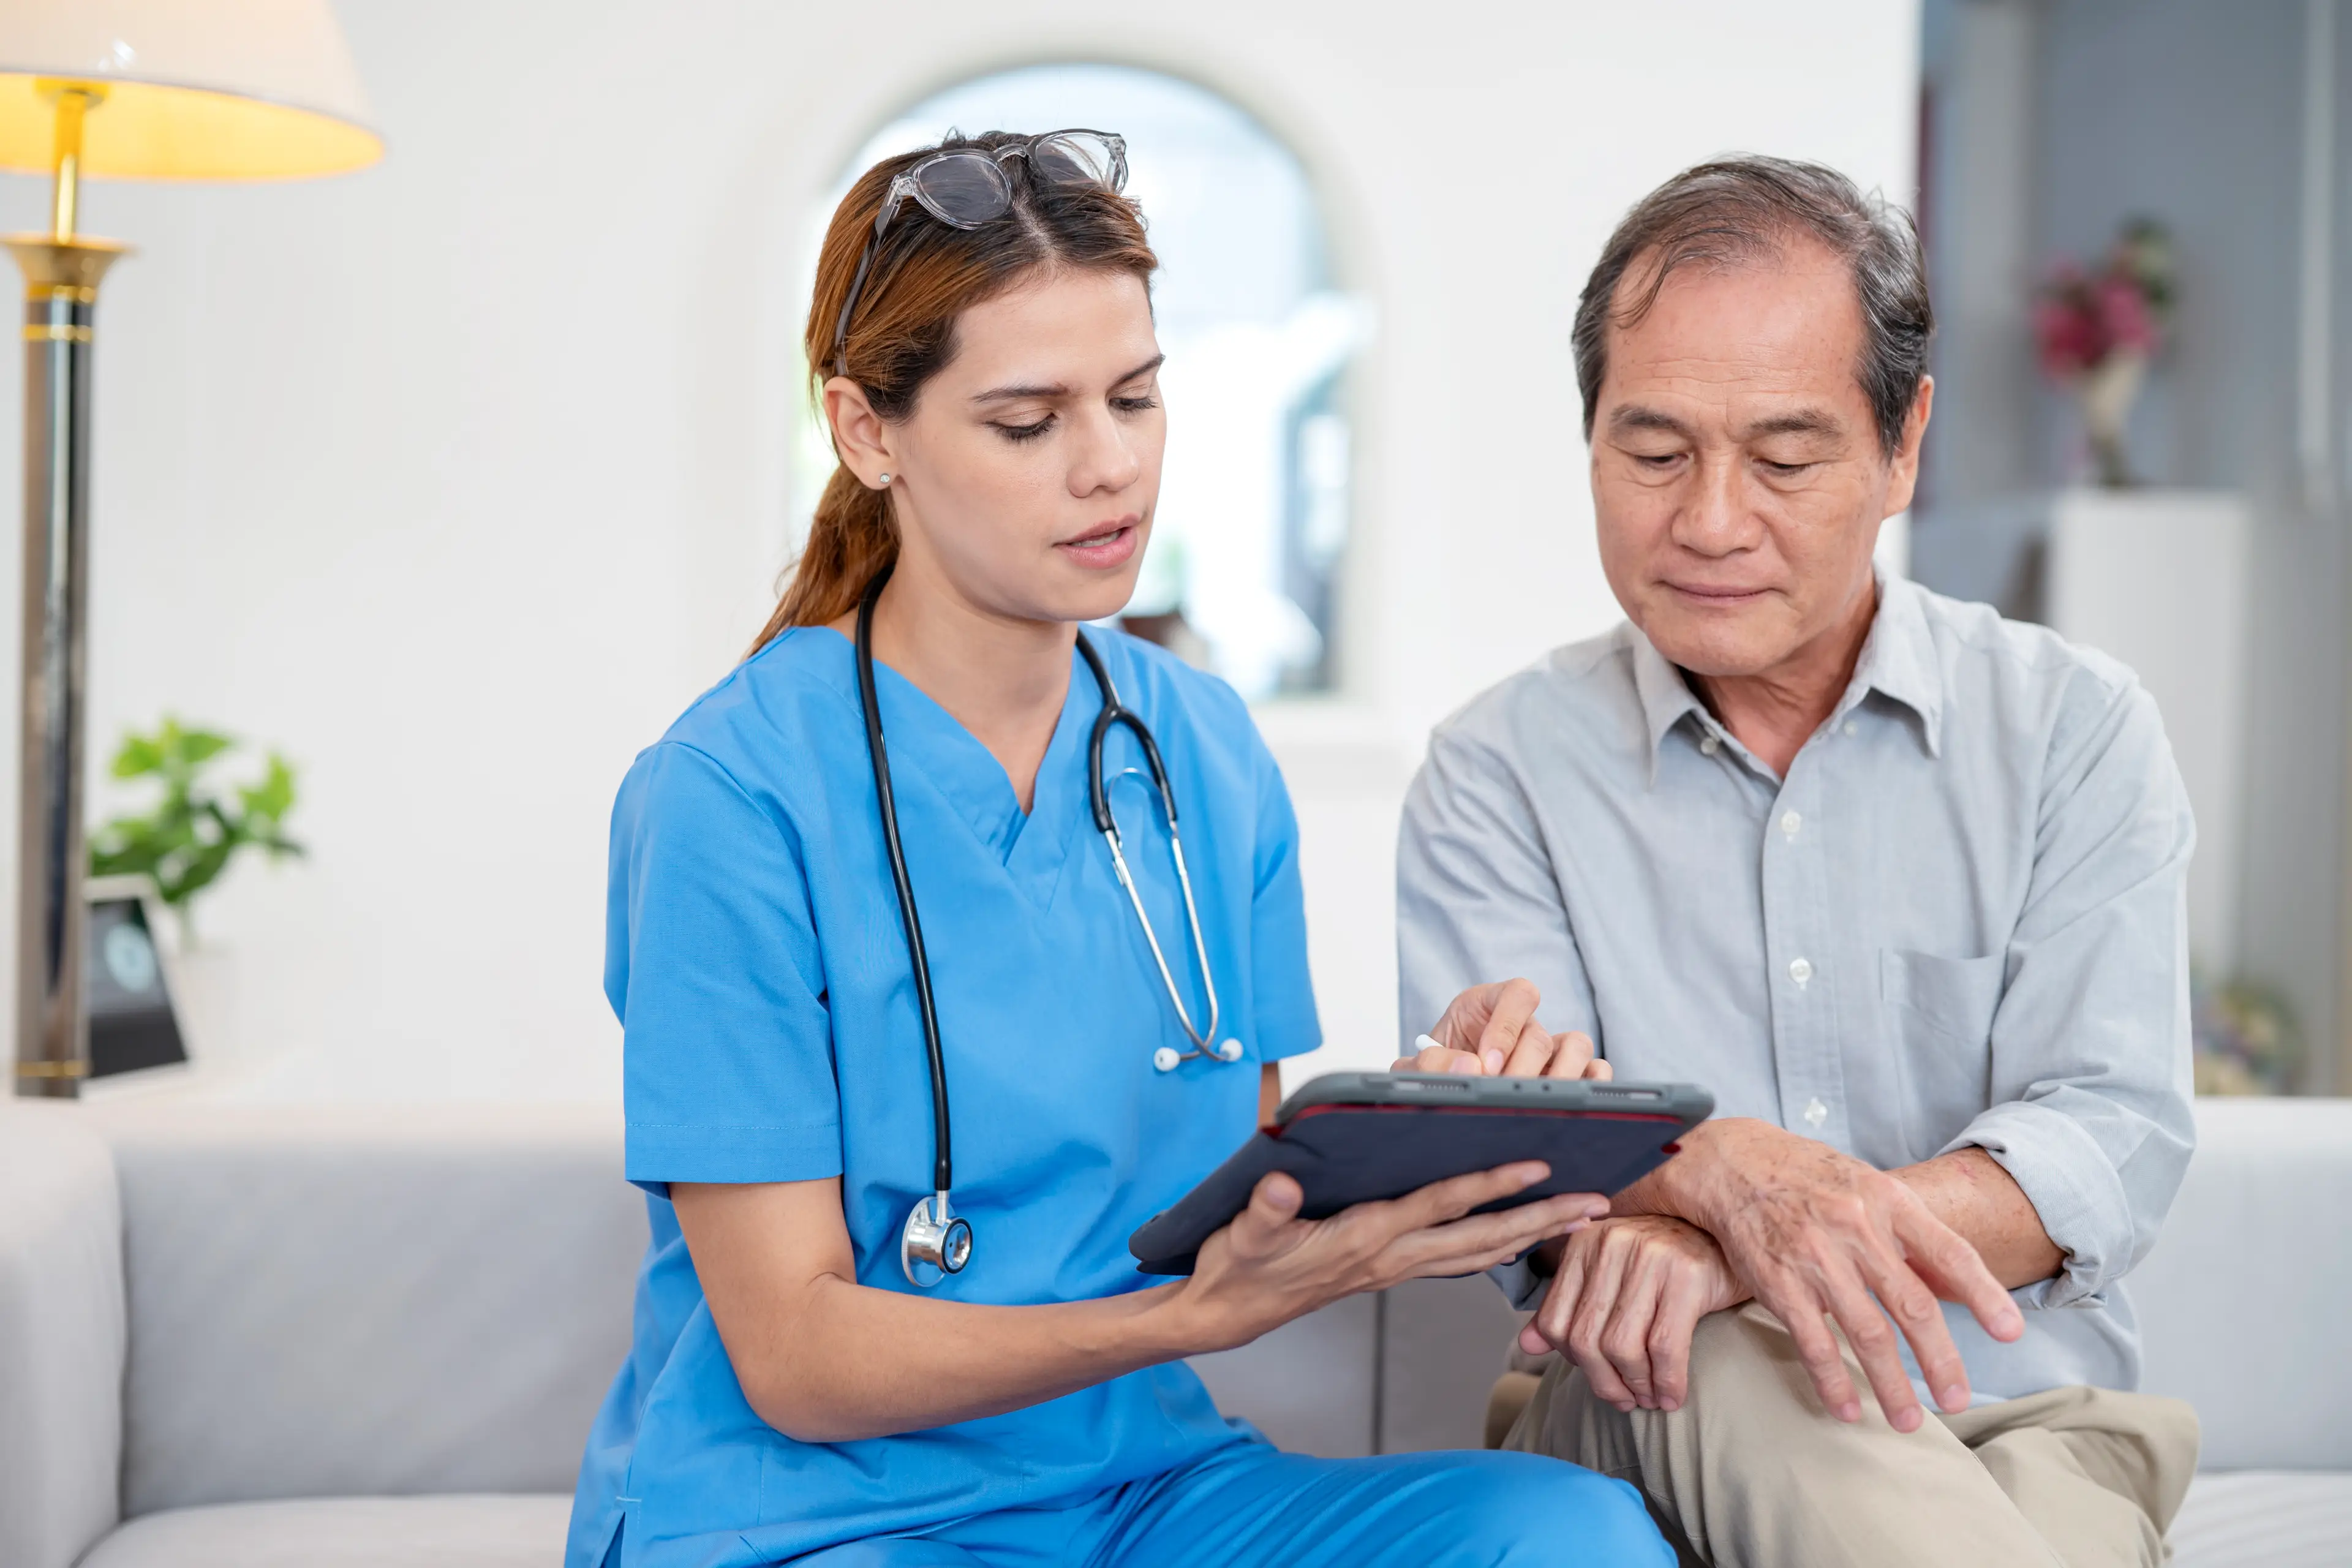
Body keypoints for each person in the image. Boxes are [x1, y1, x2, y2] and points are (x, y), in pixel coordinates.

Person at [565, 130, 1671, 1568]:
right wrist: (1190, 1322)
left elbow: (1240, 1209)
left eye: (1136, 398)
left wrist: (1438, 1121)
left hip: (1140, 1493)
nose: (1109, 468)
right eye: (1027, 422)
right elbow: (794, 1353)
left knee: (1568, 1535)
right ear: (865, 430)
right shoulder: (732, 798)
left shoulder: (1203, 751)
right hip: (817, 1516)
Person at [1393, 157, 2201, 1567]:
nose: (1710, 519)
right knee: (1711, 1348)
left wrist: (1735, 1229)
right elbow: (1518, 1154)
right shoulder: (1498, 768)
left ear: (1903, 446)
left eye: (1783, 456)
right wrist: (1729, 1168)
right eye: (1653, 454)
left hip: (2030, 1419)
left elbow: (2109, 1135)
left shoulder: (2073, 727)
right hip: (1649, 1389)